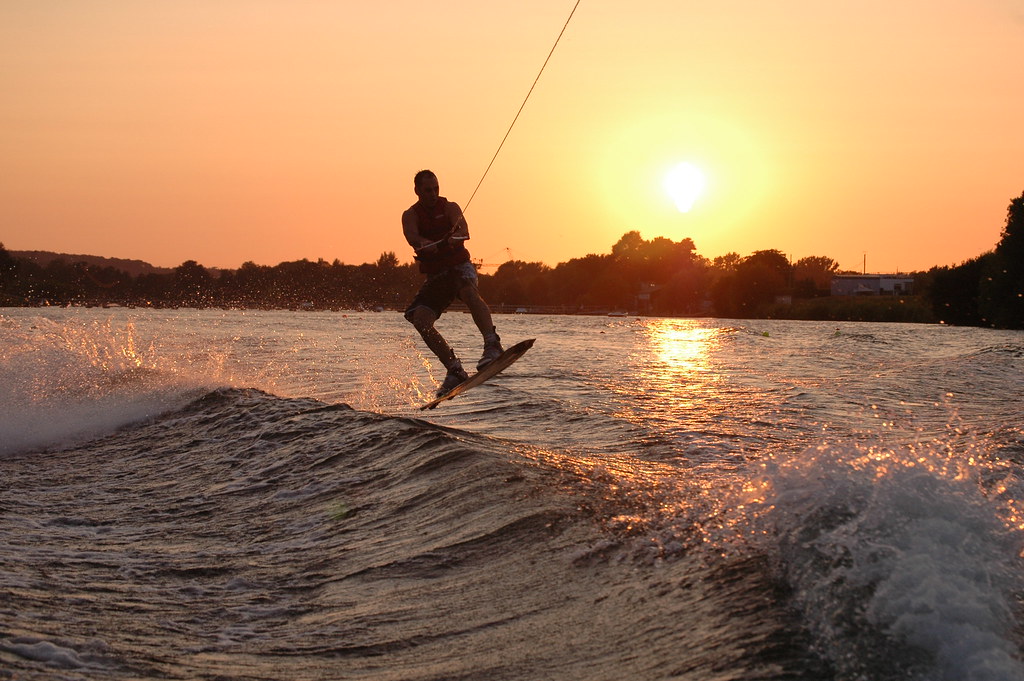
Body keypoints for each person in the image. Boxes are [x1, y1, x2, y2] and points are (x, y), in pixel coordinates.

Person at [402, 169, 503, 396]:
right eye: (428, 190)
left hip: (459, 267)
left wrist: (452, 239)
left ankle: (492, 343)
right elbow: (413, 237)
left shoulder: (450, 208)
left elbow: (465, 232)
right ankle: (454, 369)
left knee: (468, 291)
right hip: (437, 277)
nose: (433, 194)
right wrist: (426, 244)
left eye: (436, 188)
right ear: (417, 191)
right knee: (420, 319)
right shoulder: (410, 215)